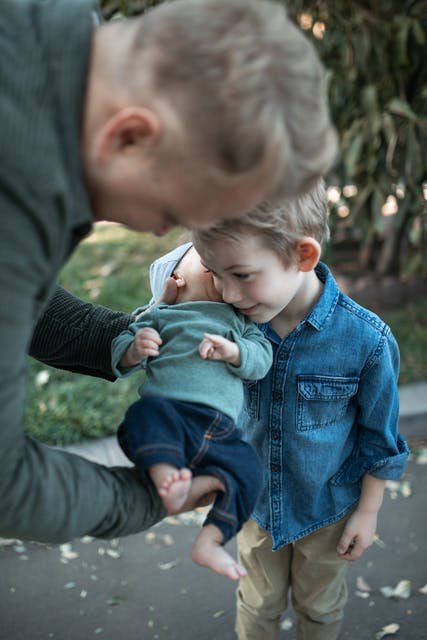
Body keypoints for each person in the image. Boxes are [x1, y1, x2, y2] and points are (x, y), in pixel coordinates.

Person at [0, 0, 337, 543]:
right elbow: (6, 483)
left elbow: (23, 302)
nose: (163, 235)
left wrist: (127, 339)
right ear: (129, 138)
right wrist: (142, 499)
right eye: (173, 214)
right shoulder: (16, 202)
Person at [150, 180, 409, 638]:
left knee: (321, 608)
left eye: (242, 275)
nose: (227, 294)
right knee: (256, 604)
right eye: (215, 273)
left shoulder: (366, 341)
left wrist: (368, 512)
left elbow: (379, 437)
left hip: (328, 512)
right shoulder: (226, 323)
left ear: (303, 256)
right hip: (256, 510)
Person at [111, 244, 273, 580]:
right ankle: (166, 476)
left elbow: (261, 360)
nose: (221, 268)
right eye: (208, 262)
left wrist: (235, 352)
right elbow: (120, 353)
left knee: (251, 471)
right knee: (142, 416)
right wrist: (133, 348)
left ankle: (211, 540)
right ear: (176, 279)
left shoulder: (238, 321)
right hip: (170, 416)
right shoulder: (160, 316)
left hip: (221, 432)